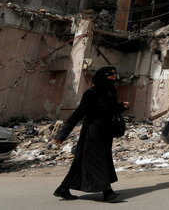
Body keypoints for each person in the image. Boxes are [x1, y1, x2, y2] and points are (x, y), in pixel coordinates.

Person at [52, 66, 130, 202]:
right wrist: (62, 134)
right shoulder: (92, 93)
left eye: (114, 75)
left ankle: (63, 189)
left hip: (106, 132)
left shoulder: (110, 92)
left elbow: (109, 110)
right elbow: (78, 113)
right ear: (102, 77)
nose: (113, 78)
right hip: (92, 133)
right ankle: (107, 192)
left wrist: (121, 106)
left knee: (82, 163)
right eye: (110, 76)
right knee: (98, 161)